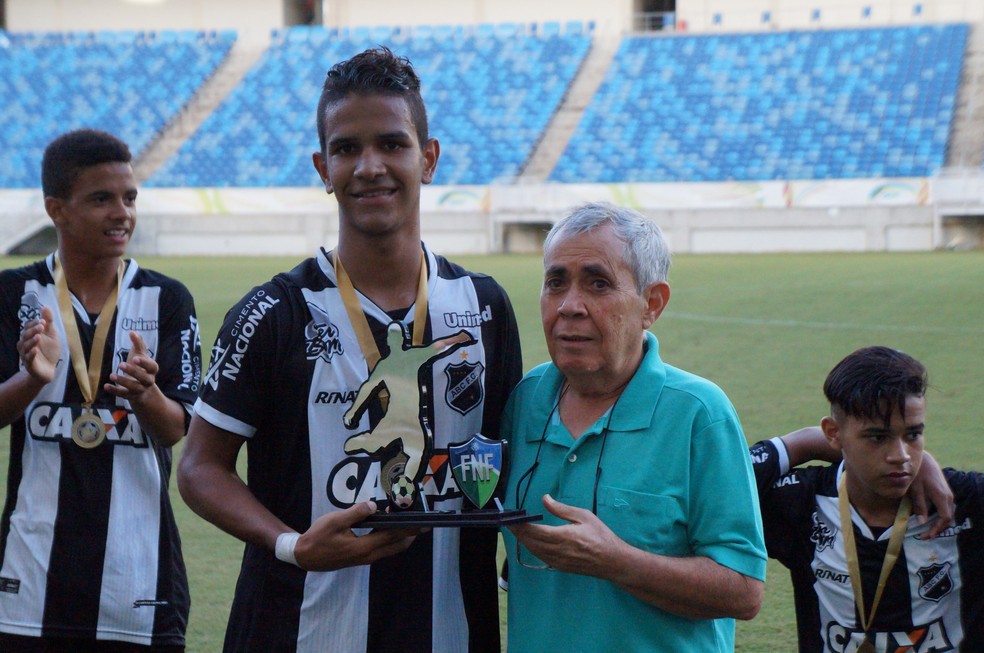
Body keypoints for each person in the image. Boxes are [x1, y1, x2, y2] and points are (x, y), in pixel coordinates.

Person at [177, 47, 522, 653]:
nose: (369, 167)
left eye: (391, 144)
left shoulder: (485, 306)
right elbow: (200, 468)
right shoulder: (273, 312)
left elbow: (507, 463)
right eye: (346, 149)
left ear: (428, 158)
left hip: (451, 635)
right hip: (296, 633)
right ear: (323, 167)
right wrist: (292, 545)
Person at [501, 202, 767, 652]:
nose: (569, 306)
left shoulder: (699, 414)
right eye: (556, 282)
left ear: (652, 304)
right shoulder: (525, 401)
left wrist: (617, 561)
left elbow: (743, 591)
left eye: (598, 283)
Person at [0, 129, 201, 652]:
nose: (122, 213)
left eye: (129, 198)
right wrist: (32, 379)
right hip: (28, 583)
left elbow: (176, 429)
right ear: (57, 209)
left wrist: (145, 394)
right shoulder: (13, 294)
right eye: (101, 199)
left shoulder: (167, 300)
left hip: (139, 586)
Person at [751, 346, 984, 652]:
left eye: (913, 435)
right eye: (878, 437)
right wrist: (802, 443)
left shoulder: (965, 502)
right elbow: (720, 485)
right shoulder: (803, 501)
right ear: (833, 433)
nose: (901, 456)